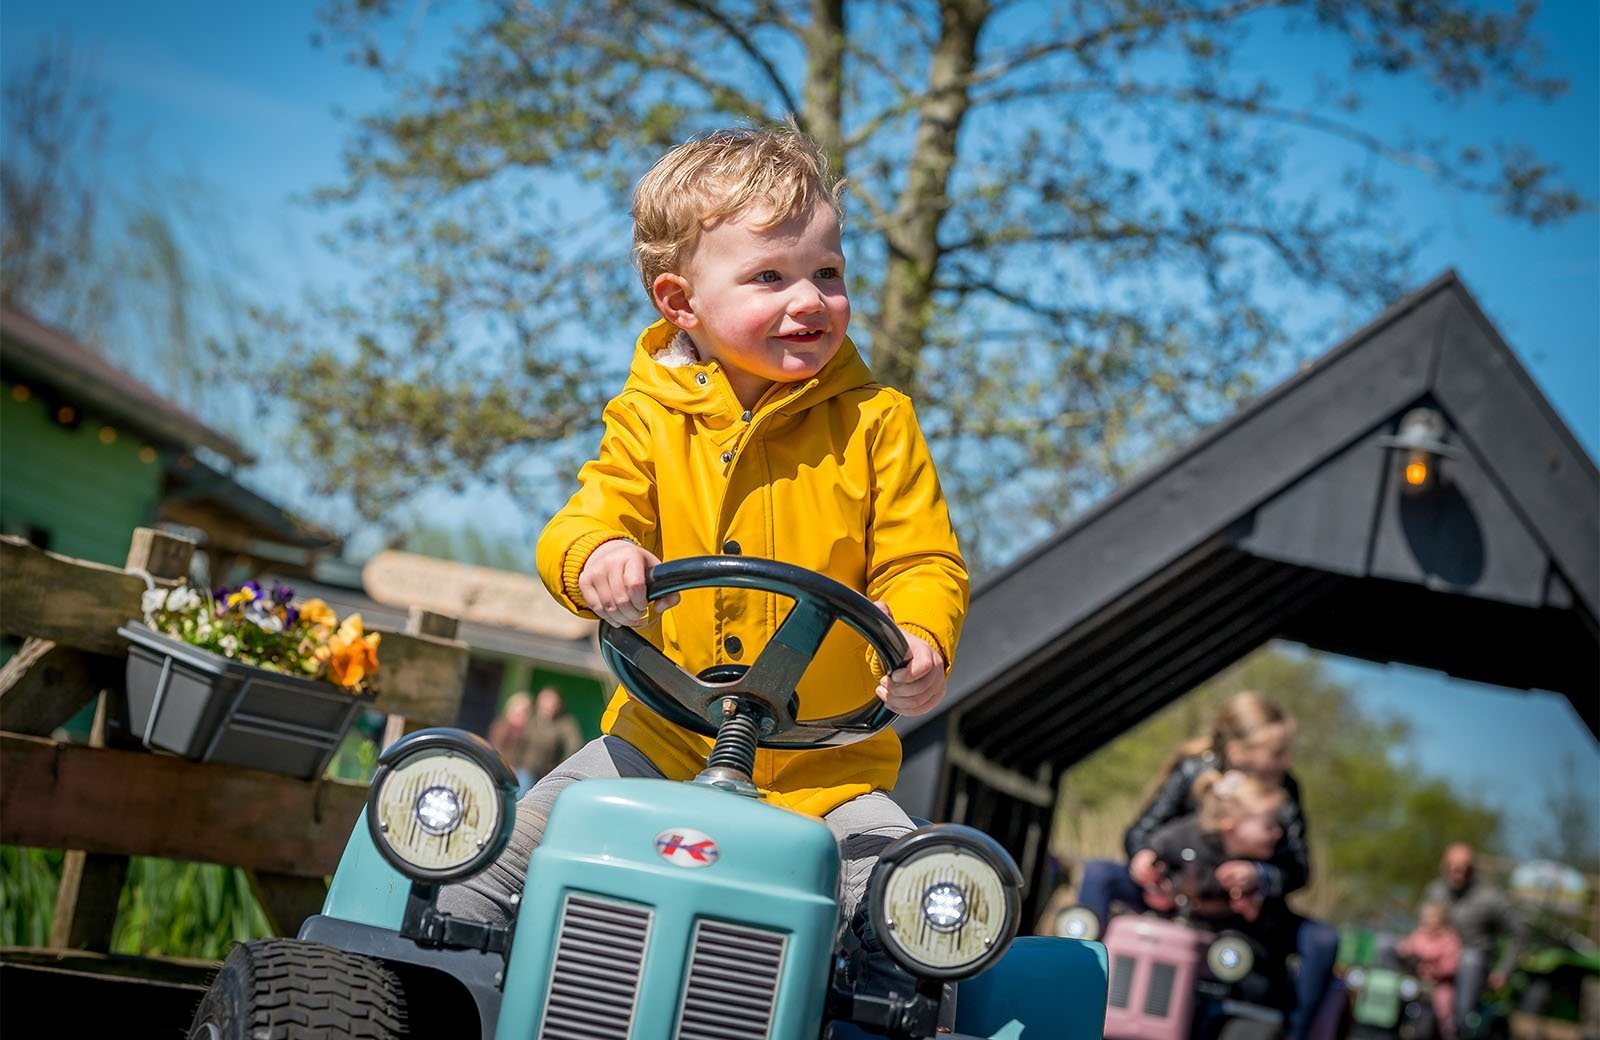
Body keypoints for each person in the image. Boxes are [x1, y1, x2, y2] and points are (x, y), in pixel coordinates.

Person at [437, 124, 968, 929]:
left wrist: (919, 634)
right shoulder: (648, 419)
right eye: (770, 277)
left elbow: (921, 559)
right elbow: (584, 519)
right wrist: (598, 554)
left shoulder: (877, 423)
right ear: (681, 302)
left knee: (921, 915)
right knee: (478, 869)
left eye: (828, 272)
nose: (810, 300)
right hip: (655, 747)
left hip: (830, 777)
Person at [1074, 690, 1339, 1040]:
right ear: (1238, 751)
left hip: (1240, 909)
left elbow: (1299, 869)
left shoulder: (1286, 790)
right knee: (1099, 873)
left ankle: (1293, 1032)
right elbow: (1141, 833)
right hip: (1173, 892)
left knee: (1322, 940)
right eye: (1276, 753)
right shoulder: (1192, 771)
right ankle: (1080, 983)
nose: (1286, 762)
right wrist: (1148, 863)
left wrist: (1259, 876)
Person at [1129, 769, 1287, 929]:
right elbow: (1153, 849)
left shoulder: (1255, 864)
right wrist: (1147, 864)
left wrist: (1251, 894)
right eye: (1269, 827)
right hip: (1169, 921)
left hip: (1222, 934)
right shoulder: (1185, 836)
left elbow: (1262, 904)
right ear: (1229, 826)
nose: (1279, 833)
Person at [1419, 842, 1526, 1038]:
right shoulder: (1435, 891)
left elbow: (1518, 932)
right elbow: (1422, 928)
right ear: (1444, 866)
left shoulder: (1490, 898)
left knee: (1469, 959)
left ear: (1472, 869)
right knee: (1387, 946)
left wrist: (1504, 970)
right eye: (1452, 866)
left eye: (1463, 868)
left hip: (1471, 966)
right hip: (1436, 960)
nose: (1457, 872)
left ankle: (1460, 1029)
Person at [1398, 900, 1463, 1040]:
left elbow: (1451, 965)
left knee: (1443, 1005)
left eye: (1431, 917)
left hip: (1438, 984)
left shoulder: (1449, 939)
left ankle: (1446, 1030)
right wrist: (1403, 950)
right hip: (1416, 981)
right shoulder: (1419, 935)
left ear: (1441, 919)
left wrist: (1435, 969)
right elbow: (1406, 949)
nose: (1427, 920)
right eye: (1425, 917)